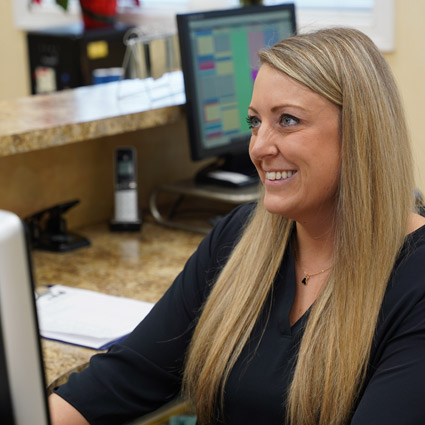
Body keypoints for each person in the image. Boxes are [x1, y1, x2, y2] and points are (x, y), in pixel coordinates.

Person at [49, 27, 425, 425]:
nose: (260, 147)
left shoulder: (414, 282)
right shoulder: (239, 238)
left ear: (359, 133)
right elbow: (125, 377)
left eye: (288, 120)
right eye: (254, 123)